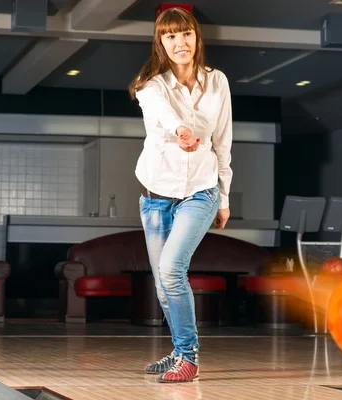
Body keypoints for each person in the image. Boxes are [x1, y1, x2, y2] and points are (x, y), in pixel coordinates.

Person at [128, 7, 233, 383]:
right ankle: (177, 350)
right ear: (161, 42)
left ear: (196, 37)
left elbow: (222, 140)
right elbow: (161, 116)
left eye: (185, 34)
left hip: (201, 192)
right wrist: (182, 132)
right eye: (171, 36)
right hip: (155, 194)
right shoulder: (149, 83)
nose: (180, 42)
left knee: (173, 270)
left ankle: (188, 356)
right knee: (163, 282)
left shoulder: (217, 82)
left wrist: (224, 197)